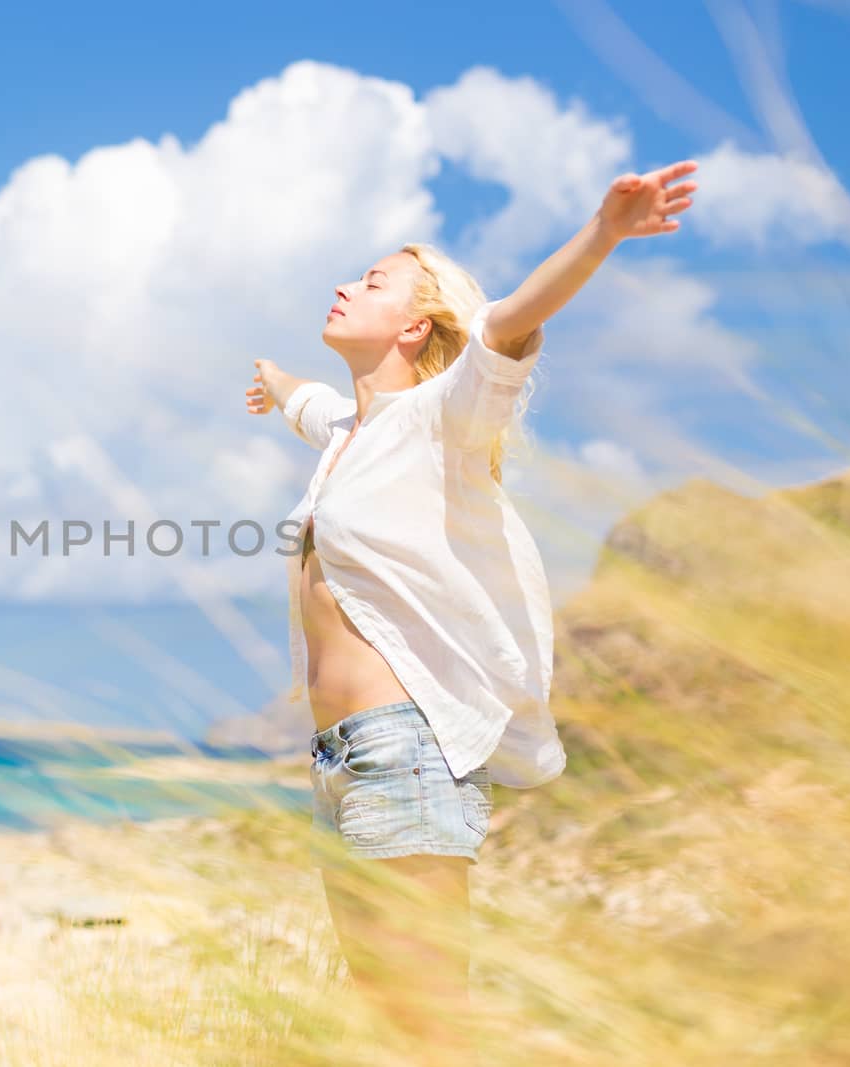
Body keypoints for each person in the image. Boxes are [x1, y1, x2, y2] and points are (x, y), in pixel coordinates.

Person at [244, 160, 698, 1057]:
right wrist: (273, 380)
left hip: (406, 751)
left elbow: (511, 320)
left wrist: (604, 232)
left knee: (429, 1024)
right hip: (339, 761)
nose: (345, 284)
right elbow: (307, 401)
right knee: (383, 1022)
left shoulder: (445, 417)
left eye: (371, 281)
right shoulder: (348, 429)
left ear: (416, 323)